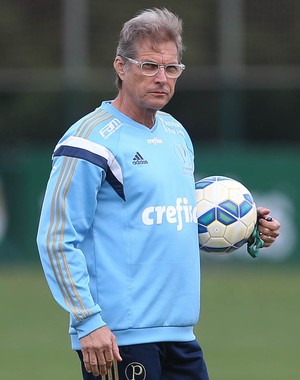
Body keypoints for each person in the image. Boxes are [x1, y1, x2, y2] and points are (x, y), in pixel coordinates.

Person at [36, 8, 280, 380]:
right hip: (118, 337)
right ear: (121, 67)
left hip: (180, 334)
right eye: (149, 66)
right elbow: (56, 239)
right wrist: (88, 321)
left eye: (172, 68)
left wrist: (245, 227)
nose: (162, 78)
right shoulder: (88, 141)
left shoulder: (175, 133)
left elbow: (169, 219)